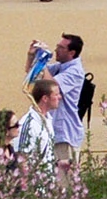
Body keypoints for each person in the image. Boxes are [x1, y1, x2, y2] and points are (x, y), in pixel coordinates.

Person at [31, 33, 85, 175]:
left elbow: (50, 85)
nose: (56, 50)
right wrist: (33, 56)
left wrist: (42, 62)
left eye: (61, 48)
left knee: (64, 182)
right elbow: (34, 75)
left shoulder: (75, 71)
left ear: (71, 53)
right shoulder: (61, 66)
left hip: (65, 133)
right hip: (54, 130)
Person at [14, 78, 60, 169]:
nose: (60, 97)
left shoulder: (48, 120)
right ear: (45, 98)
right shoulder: (29, 124)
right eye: (56, 94)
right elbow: (22, 159)